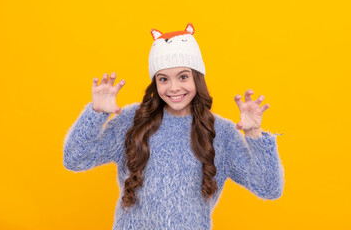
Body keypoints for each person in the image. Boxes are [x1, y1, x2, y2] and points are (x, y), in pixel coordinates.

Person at [63, 23, 285, 230]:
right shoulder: (133, 120)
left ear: (197, 78)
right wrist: (97, 114)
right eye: (163, 79)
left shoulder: (221, 133)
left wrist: (254, 133)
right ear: (155, 82)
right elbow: (75, 159)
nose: (174, 87)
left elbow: (269, 188)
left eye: (183, 76)